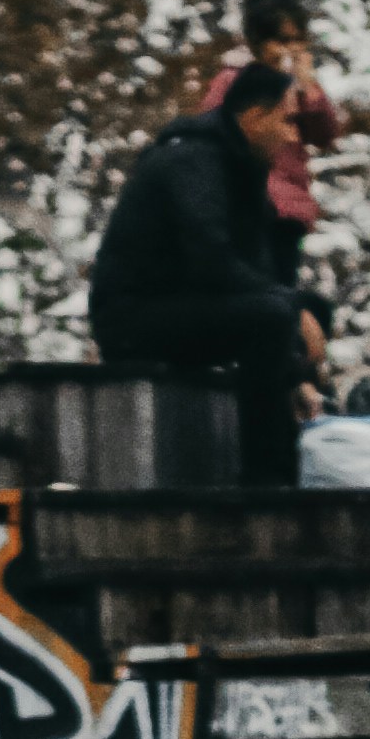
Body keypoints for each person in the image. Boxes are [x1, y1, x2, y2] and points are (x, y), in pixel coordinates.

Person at [88, 62, 324, 482]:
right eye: (287, 121)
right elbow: (211, 260)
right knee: (272, 316)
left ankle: (288, 464)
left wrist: (297, 373)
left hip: (187, 307)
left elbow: (261, 275)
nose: (294, 136)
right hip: (133, 319)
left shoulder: (245, 170)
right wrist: (290, 310)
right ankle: (267, 483)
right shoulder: (191, 160)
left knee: (306, 311)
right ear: (254, 117)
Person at [213, 0, 342, 237]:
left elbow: (325, 134)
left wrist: (310, 90)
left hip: (292, 209)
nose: (291, 48)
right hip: (251, 205)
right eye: (283, 40)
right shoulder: (232, 81)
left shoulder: (300, 85)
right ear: (259, 41)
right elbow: (215, 134)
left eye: (299, 40)